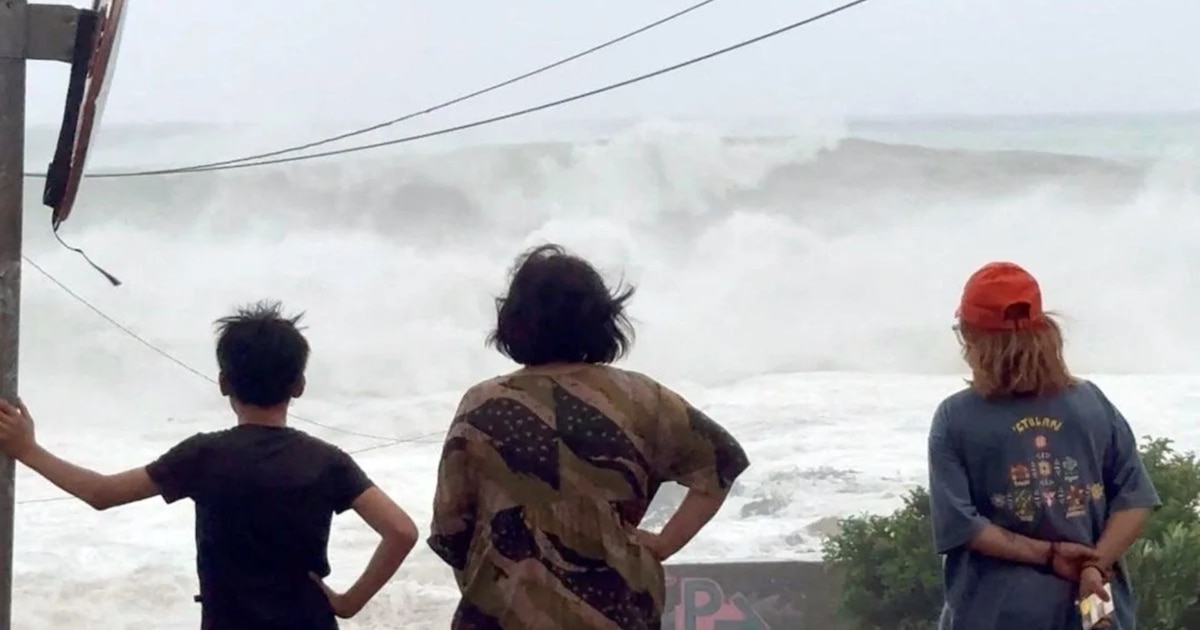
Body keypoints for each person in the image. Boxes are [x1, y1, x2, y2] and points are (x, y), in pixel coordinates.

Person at [0, 301, 418, 630]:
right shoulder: (327, 461)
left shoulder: (204, 456)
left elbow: (101, 494)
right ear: (299, 385)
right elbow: (400, 531)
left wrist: (28, 450)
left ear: (223, 383)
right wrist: (348, 603)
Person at [427, 244, 750, 630]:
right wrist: (664, 543)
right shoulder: (642, 398)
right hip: (617, 612)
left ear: (516, 321)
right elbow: (722, 463)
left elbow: (450, 527)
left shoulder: (482, 405)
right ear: (602, 319)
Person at [928, 262, 1160, 630]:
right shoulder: (1092, 403)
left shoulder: (955, 418)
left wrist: (1051, 556)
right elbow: (1136, 499)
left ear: (973, 339)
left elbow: (963, 526)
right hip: (1091, 609)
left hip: (993, 616)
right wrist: (1094, 566)